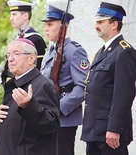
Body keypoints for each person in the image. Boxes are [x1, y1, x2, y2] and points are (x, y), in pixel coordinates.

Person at [0, 38, 60, 155]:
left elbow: (51, 125)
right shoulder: (12, 85)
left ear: (31, 58)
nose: (10, 59)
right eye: (8, 55)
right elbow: (6, 131)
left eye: (16, 54)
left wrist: (29, 105)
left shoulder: (43, 85)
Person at [81, 2, 136, 155]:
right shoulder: (101, 52)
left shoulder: (124, 52)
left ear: (114, 24)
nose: (96, 26)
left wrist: (114, 128)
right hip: (94, 132)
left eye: (100, 22)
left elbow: (124, 94)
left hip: (109, 134)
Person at [40, 4, 89, 155]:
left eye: (50, 24)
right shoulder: (49, 53)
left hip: (64, 120)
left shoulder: (74, 51)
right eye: (45, 25)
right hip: (46, 118)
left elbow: (82, 88)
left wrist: (57, 108)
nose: (45, 29)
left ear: (63, 26)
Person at [7, 0, 46, 70]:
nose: (10, 19)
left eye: (14, 14)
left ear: (25, 16)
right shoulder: (17, 39)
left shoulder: (36, 39)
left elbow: (39, 67)